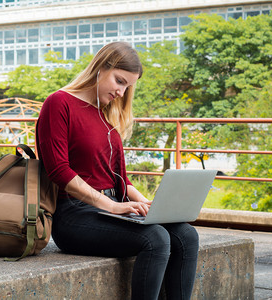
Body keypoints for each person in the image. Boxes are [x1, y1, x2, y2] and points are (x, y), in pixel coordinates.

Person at [36, 41, 199, 300]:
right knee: (155, 239)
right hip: (74, 215)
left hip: (110, 208)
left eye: (127, 86)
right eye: (119, 81)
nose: (122, 92)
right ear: (101, 67)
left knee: (186, 234)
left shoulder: (105, 115)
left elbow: (120, 179)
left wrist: (149, 205)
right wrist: (110, 206)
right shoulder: (59, 103)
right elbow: (59, 171)